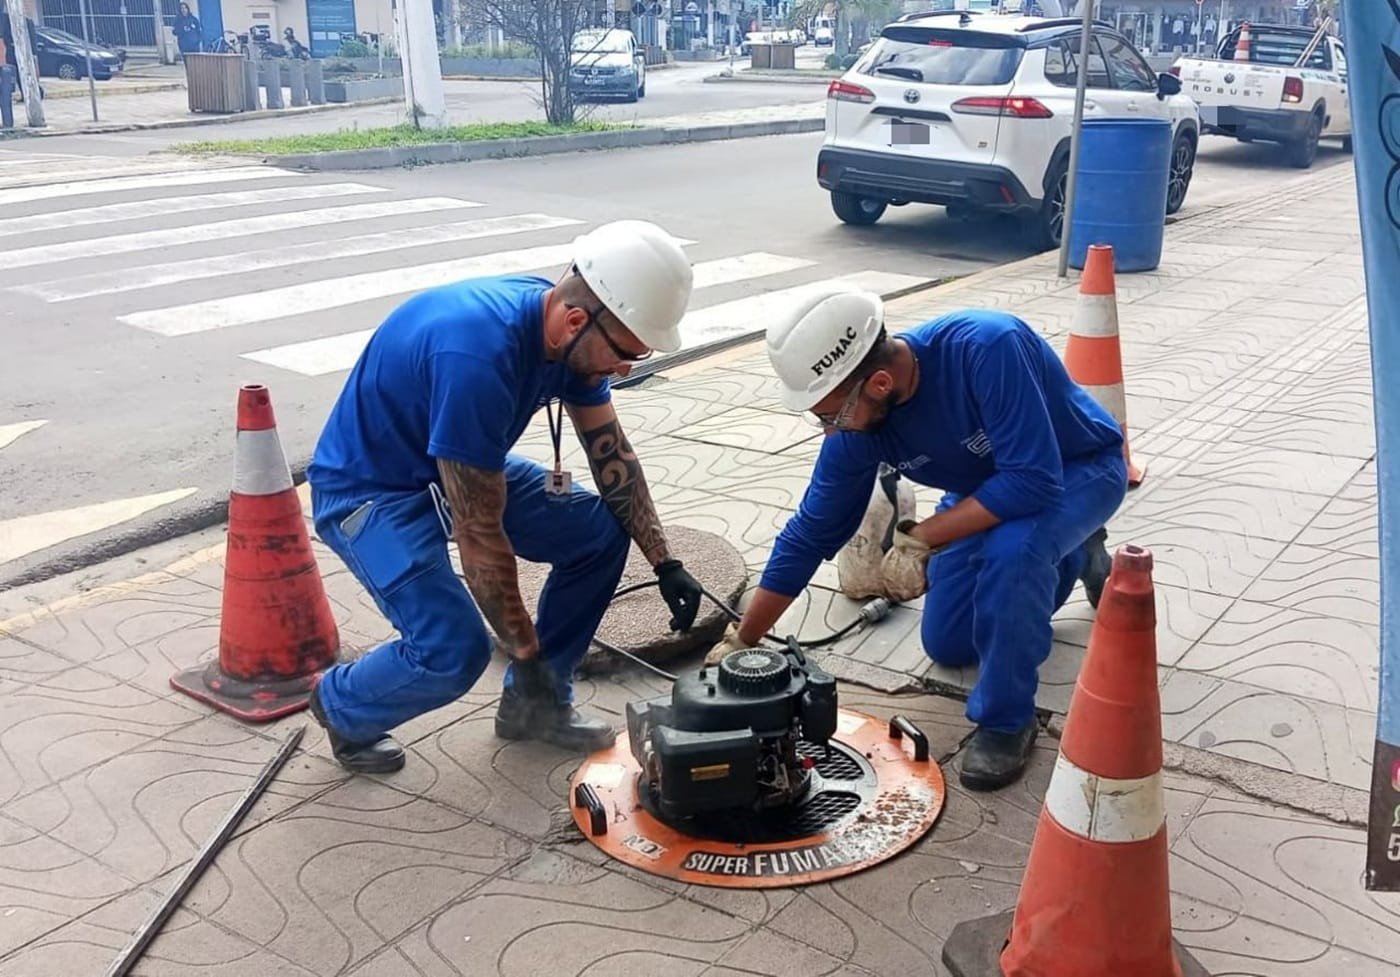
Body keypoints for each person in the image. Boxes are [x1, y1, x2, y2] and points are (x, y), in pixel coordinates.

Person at [305, 220, 706, 774]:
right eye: (625, 354)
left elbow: (613, 456)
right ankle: (342, 705)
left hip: (458, 464)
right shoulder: (477, 355)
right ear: (574, 322)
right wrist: (526, 649)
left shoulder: (569, 336)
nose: (625, 369)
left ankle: (532, 707)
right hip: (372, 491)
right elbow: (479, 532)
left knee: (599, 533)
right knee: (453, 650)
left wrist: (665, 562)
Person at [711, 284, 1127, 791]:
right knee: (950, 642)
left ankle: (1006, 720)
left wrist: (920, 537)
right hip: (985, 491)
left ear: (880, 383)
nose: (827, 431)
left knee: (1015, 553)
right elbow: (810, 533)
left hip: (1076, 469)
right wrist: (743, 638)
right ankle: (1076, 554)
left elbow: (1034, 480)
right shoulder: (857, 426)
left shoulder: (987, 347)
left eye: (828, 414)